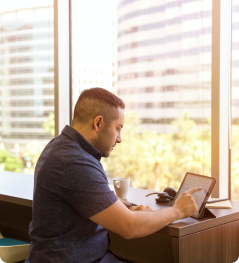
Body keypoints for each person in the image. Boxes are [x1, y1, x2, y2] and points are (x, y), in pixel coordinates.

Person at [25, 87, 201, 263]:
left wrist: (127, 207)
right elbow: (130, 227)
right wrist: (177, 211)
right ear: (98, 123)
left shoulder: (60, 146)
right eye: (118, 128)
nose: (119, 138)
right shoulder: (75, 161)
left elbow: (90, 198)